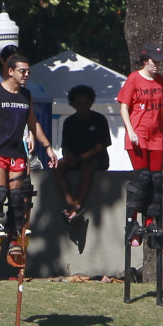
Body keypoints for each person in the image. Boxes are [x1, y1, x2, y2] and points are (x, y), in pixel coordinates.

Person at [0, 52, 56, 262]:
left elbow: (32, 122)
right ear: (10, 72)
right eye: (22, 71)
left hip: (17, 152)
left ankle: (14, 238)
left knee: (17, 198)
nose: (26, 74)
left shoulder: (26, 95)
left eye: (28, 71)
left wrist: (48, 147)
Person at [116, 46, 163, 274]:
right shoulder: (133, 79)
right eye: (153, 61)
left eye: (158, 61)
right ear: (144, 60)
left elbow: (160, 109)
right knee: (143, 177)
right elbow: (123, 107)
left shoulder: (160, 82)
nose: (156, 65)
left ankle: (150, 221)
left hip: (156, 137)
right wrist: (131, 131)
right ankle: (133, 223)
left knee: (156, 180)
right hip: (138, 136)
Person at [56, 85, 110, 225]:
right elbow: (65, 146)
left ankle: (77, 205)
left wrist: (80, 158)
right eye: (79, 103)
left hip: (96, 159)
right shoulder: (69, 122)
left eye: (86, 103)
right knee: (58, 165)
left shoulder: (100, 120)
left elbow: (99, 148)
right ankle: (69, 202)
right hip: (75, 159)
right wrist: (68, 157)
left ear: (91, 103)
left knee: (88, 164)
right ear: (73, 105)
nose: (83, 106)